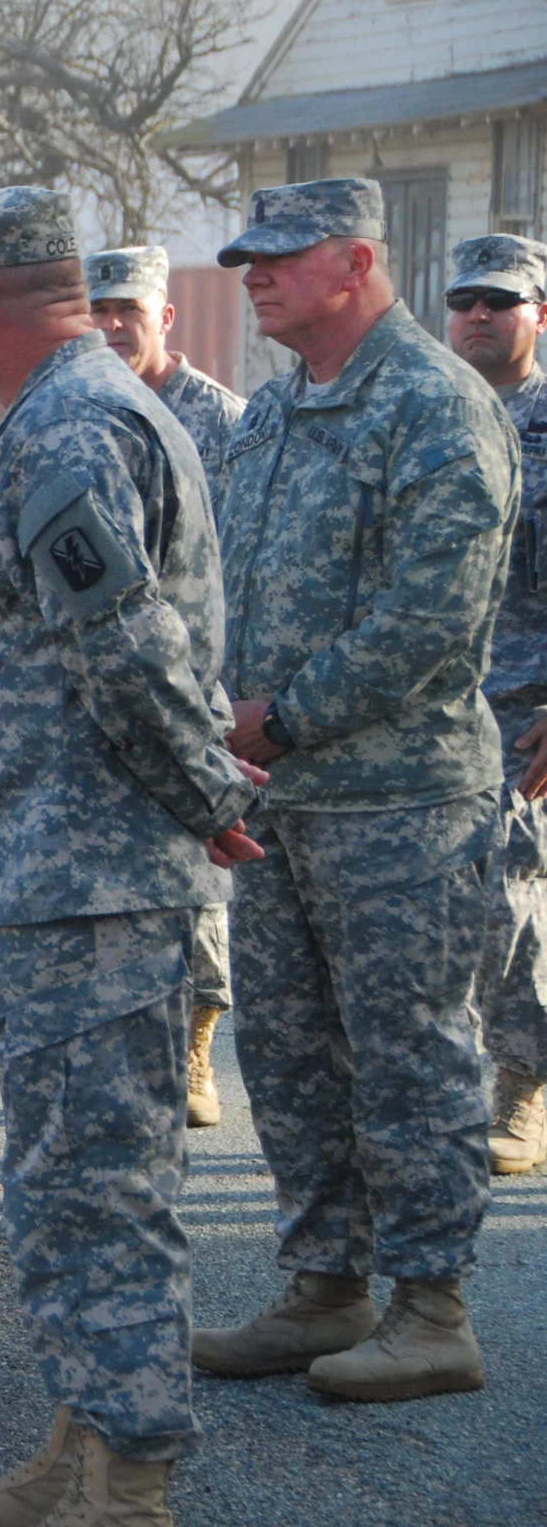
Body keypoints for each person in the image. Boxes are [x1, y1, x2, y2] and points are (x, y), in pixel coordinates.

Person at [0, 188, 262, 1527]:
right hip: (64, 875)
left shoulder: (69, 428)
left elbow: (126, 644)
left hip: (92, 879)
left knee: (98, 1191)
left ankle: (129, 1485)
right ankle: (77, 1443)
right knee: (64, 1181)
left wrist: (202, 790)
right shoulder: (76, 412)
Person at [197, 178, 517, 1405]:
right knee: (285, 1050)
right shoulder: (275, 411)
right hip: (280, 799)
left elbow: (430, 618)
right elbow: (232, 583)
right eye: (247, 257)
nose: (254, 276)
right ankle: (322, 1284)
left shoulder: (433, 404)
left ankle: (429, 1309)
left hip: (401, 801)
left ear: (355, 262)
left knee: (410, 1055)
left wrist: (278, 719)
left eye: (281, 258)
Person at [87, 243, 248, 1131]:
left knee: (198, 872)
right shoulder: (84, 410)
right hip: (110, 682)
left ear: (165, 317)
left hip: (196, 682)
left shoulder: (223, 422)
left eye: (129, 311)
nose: (113, 326)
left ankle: (194, 1038)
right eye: (99, 310)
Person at [445, 232, 547, 1178]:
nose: (477, 315)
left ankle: (522, 1083)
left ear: (538, 316)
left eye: (500, 301)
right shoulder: (435, 415)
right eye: (465, 300)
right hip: (431, 702)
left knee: (506, 904)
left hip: (526, 707)